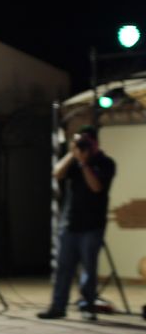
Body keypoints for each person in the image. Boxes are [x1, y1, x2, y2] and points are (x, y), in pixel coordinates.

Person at [38, 125, 116, 321]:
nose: (82, 146)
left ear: (95, 143)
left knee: (89, 269)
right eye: (79, 142)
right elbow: (57, 173)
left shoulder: (106, 163)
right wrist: (72, 155)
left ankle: (87, 306)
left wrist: (84, 164)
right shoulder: (74, 161)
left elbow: (96, 187)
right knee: (64, 268)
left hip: (92, 226)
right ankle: (58, 306)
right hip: (70, 224)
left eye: (84, 143)